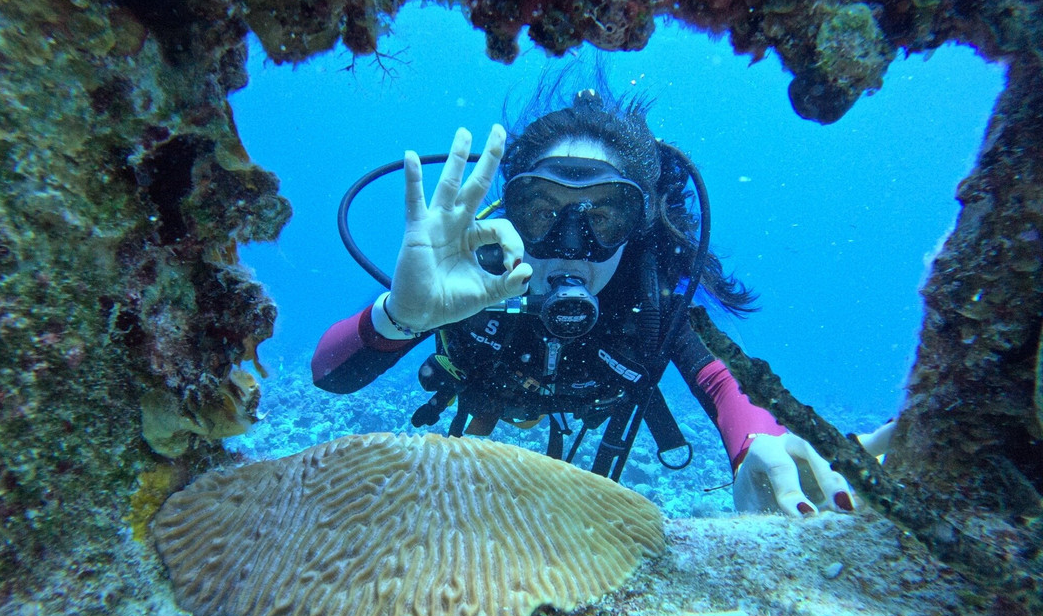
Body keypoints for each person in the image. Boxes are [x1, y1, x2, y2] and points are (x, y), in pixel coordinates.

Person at [312, 88, 859, 517]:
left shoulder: (645, 299)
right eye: (541, 212)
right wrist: (401, 315)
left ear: (635, 225)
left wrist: (758, 442)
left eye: (603, 216)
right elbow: (329, 376)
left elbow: (721, 382)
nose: (571, 246)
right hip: (487, 393)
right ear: (511, 215)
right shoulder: (474, 277)